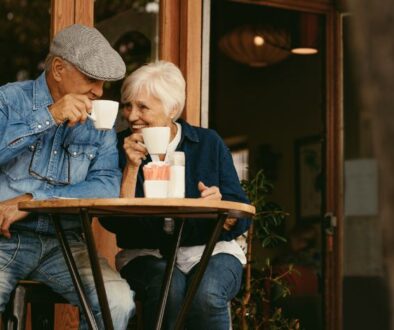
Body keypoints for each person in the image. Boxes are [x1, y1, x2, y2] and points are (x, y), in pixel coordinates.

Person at [0, 24, 134, 329]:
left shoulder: (99, 121)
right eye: (91, 79)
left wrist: (33, 200)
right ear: (59, 69)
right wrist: (49, 117)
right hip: (6, 240)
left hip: (67, 244)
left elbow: (107, 185)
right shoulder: (8, 100)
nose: (99, 91)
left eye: (103, 83)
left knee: (118, 302)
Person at [100, 60, 251, 330]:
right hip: (146, 254)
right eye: (127, 105)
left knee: (206, 295)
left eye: (142, 106)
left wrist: (221, 209)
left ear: (172, 108)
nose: (131, 115)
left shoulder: (207, 143)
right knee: (169, 291)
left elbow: (241, 212)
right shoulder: (115, 146)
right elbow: (112, 222)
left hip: (211, 251)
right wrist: (132, 168)